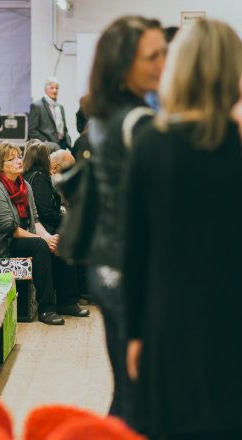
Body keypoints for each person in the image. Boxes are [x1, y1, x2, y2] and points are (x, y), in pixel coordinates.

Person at [124, 19, 242, 439]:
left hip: (169, 317)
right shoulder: (236, 142)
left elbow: (135, 250)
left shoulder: (152, 144)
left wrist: (134, 332)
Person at [82, 16, 166, 421]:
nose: (163, 63)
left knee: (127, 389)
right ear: (124, 64)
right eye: (153, 56)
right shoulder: (140, 124)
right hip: (129, 266)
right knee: (139, 395)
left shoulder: (103, 116)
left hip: (105, 264)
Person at [0, 142, 64, 325]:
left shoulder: (24, 185)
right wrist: (43, 240)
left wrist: (49, 238)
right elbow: (10, 228)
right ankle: (47, 309)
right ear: (0, 165)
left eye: (19, 156)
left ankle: (68, 301)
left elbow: (36, 220)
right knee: (40, 246)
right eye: (12, 158)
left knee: (58, 240)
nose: (19, 161)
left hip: (19, 238)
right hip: (0, 243)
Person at [23, 141, 89, 318]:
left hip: (37, 226)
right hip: (41, 227)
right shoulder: (39, 179)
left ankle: (67, 300)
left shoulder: (31, 178)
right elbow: (46, 211)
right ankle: (68, 301)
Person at [28, 76, 72, 150]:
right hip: (47, 147)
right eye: (52, 88)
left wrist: (68, 141)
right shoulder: (37, 106)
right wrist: (46, 143)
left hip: (62, 145)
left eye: (57, 88)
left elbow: (64, 128)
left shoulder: (60, 107)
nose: (55, 90)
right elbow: (32, 130)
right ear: (45, 89)